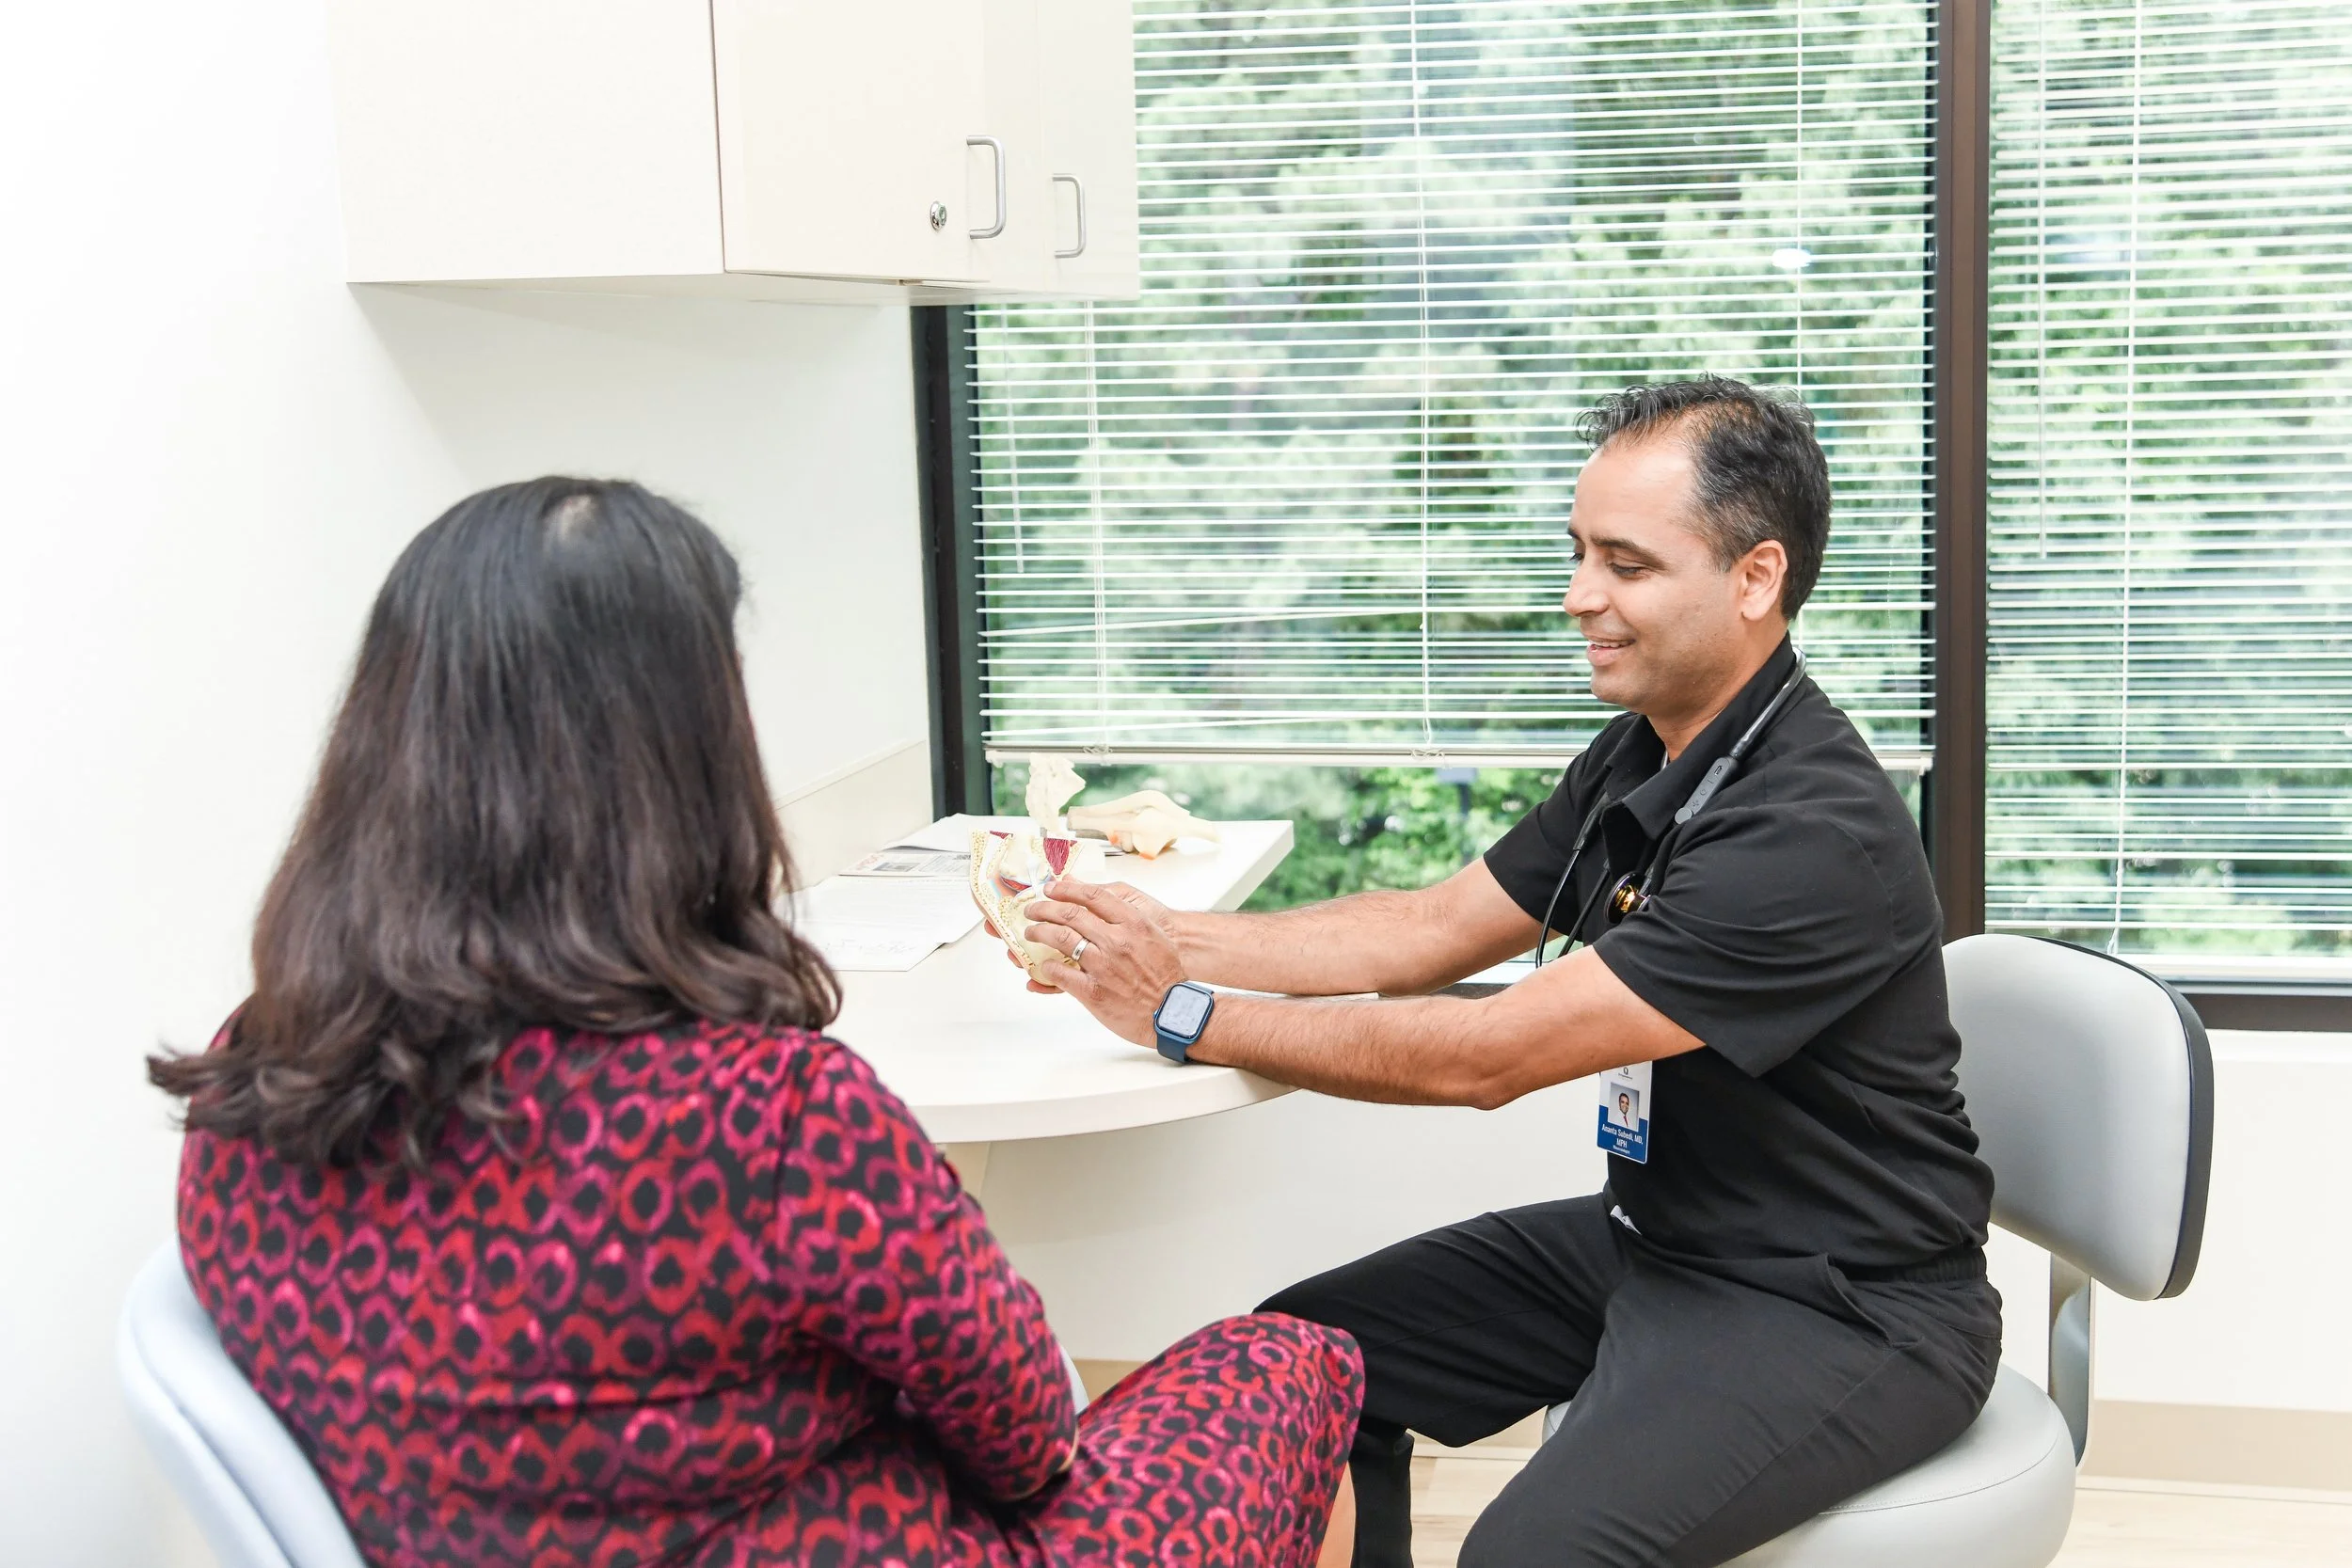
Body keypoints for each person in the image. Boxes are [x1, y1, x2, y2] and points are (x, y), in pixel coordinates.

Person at [151, 478, 1361, 1568]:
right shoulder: (768, 1112)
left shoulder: (259, 1067)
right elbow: (1030, 1439)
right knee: (1290, 1361)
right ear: (686, 756)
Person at [1022, 378, 2002, 1568]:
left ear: (1755, 578)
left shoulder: (1810, 830)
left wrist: (1182, 1012)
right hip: (1661, 1239)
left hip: (1842, 1301)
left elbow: (1487, 1055)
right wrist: (1153, 936)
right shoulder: (1653, 750)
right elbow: (1428, 927)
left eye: (1625, 565)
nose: (1580, 594)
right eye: (1579, 552)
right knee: (1300, 1362)